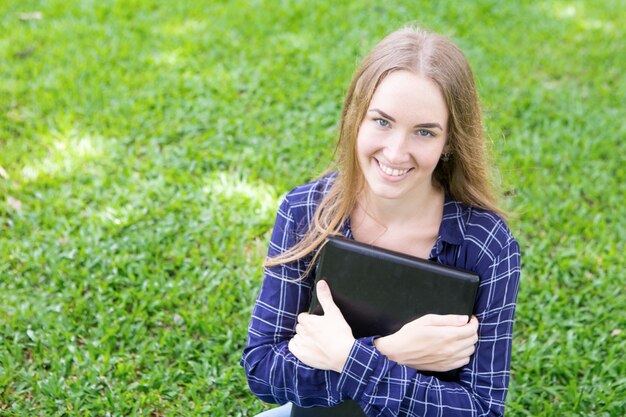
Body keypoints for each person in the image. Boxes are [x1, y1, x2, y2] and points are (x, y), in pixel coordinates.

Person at [241, 25, 521, 417]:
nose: (395, 152)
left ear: (449, 144)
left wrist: (344, 356)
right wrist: (390, 352)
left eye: (424, 131)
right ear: (357, 118)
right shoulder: (304, 211)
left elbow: (482, 409)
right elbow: (263, 372)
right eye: (382, 121)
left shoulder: (486, 242)